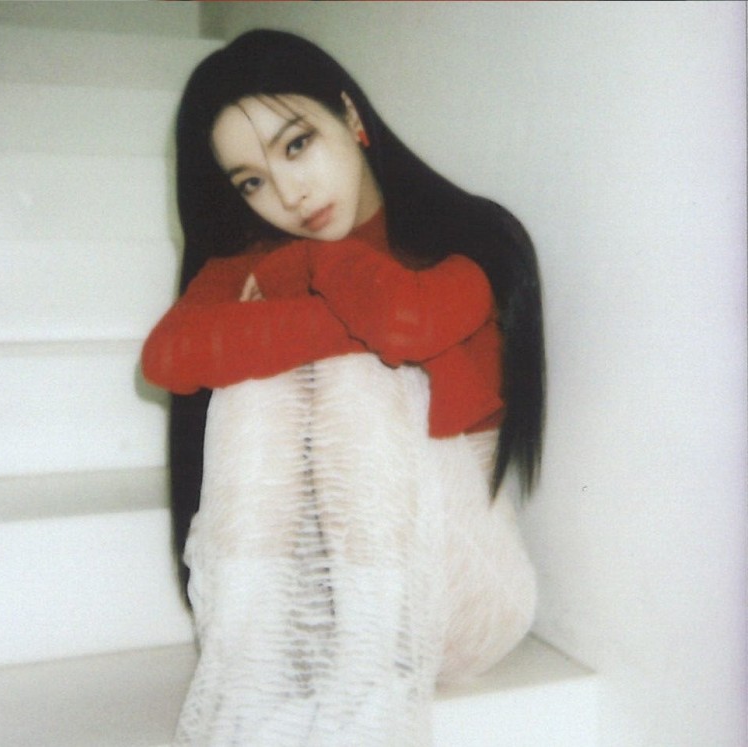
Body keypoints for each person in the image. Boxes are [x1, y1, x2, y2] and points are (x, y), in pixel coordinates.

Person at [142, 29, 545, 747]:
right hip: (306, 629)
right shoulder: (247, 263)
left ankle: (369, 700)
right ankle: (251, 678)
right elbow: (167, 357)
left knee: (355, 373)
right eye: (251, 182)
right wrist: (311, 291)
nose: (287, 194)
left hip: (460, 601)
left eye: (297, 145)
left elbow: (404, 322)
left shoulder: (468, 241)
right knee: (258, 384)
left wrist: (310, 268)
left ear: (351, 118)